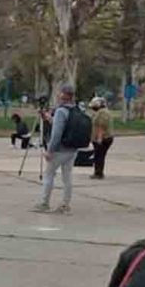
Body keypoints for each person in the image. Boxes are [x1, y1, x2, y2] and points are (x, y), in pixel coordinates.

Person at [34, 84, 87, 214]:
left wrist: (50, 150)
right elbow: (66, 126)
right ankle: (65, 204)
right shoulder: (76, 110)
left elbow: (57, 133)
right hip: (72, 149)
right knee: (67, 177)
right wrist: (48, 118)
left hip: (60, 150)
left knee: (49, 175)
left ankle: (44, 203)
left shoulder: (61, 111)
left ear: (63, 95)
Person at [90, 97, 114, 179]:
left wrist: (99, 138)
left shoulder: (102, 113)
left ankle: (98, 173)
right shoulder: (102, 112)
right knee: (100, 155)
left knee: (99, 155)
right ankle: (98, 172)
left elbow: (101, 126)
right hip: (104, 137)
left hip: (103, 138)